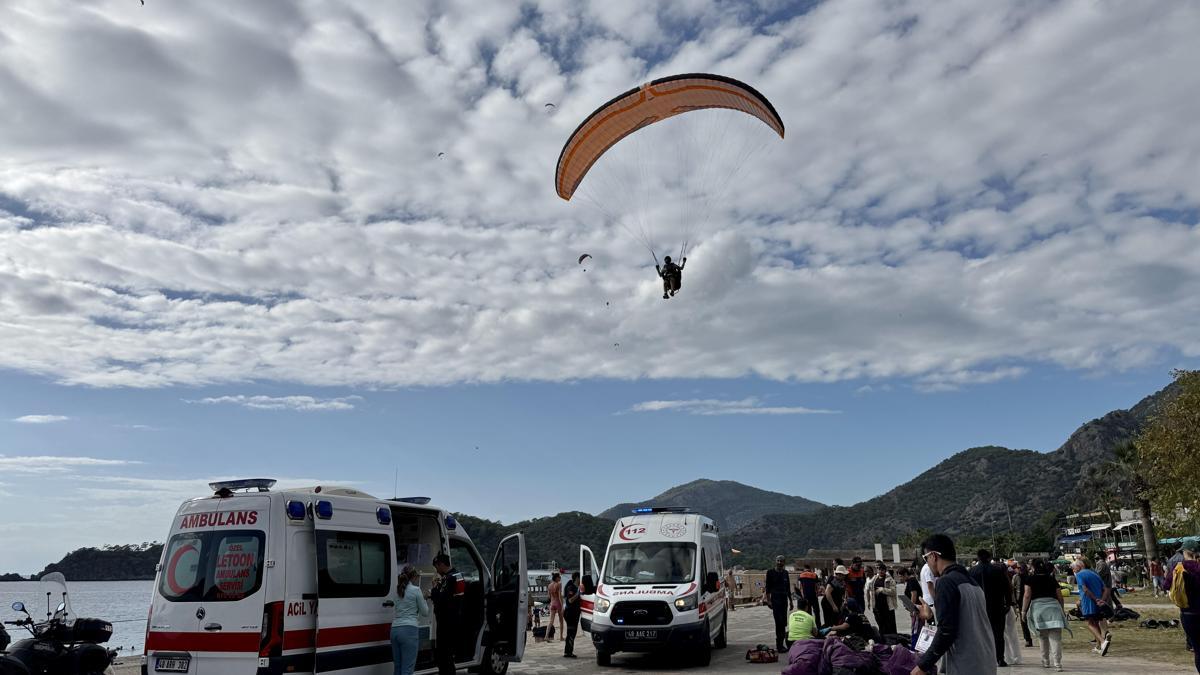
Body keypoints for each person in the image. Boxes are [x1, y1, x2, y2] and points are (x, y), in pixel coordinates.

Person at [913, 534, 996, 675]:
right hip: (985, 659)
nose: (927, 563)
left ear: (933, 556)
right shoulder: (971, 582)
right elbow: (963, 619)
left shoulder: (946, 582)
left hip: (966, 663)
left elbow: (946, 631)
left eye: (926, 559)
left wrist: (923, 665)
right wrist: (931, 615)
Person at [1022, 558, 1070, 672]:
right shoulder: (1051, 578)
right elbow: (1060, 596)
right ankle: (1057, 663)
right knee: (1056, 638)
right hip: (1054, 609)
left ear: (1033, 567)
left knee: (1042, 637)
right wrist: (1061, 609)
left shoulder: (1030, 579)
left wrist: (1023, 611)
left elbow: (1027, 595)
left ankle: (1046, 661)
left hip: (1038, 610)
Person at [968, 549, 1012, 667]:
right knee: (998, 634)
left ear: (978, 558)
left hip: (978, 607)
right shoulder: (998, 570)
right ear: (989, 557)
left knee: (979, 633)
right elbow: (1007, 587)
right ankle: (1000, 658)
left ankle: (982, 657)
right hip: (997, 606)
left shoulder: (972, 571)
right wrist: (1008, 603)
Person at [1163, 538, 1200, 672]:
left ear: (1185, 552)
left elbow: (1166, 585)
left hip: (1188, 614)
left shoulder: (1179, 568)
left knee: (1198, 649)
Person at [391, 564, 430, 675]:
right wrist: (424, 599)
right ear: (413, 577)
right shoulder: (416, 590)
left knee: (398, 667)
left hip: (395, 630)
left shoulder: (397, 590)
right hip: (409, 630)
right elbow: (425, 612)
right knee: (407, 669)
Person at [431, 553, 464, 675]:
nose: (437, 570)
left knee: (444, 655)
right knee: (447, 655)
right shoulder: (458, 575)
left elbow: (441, 599)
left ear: (441, 564)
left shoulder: (449, 578)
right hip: (454, 619)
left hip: (446, 622)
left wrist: (434, 588)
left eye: (436, 567)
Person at [1071, 557, 1112, 657]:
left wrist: (1095, 599)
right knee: (1096, 623)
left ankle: (1103, 642)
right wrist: (1102, 600)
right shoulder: (1095, 574)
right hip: (1099, 603)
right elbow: (1106, 589)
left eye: (1074, 567)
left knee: (1090, 623)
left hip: (1088, 602)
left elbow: (1085, 589)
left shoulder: (1079, 575)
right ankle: (1099, 646)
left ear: (1080, 565)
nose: (1073, 569)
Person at [764, 555, 793, 651]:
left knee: (784, 622)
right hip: (775, 600)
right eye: (778, 561)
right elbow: (767, 587)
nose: (779, 562)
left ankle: (782, 644)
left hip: (784, 600)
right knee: (778, 622)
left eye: (781, 561)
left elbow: (788, 588)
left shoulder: (785, 573)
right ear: (775, 561)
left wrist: (791, 601)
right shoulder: (770, 572)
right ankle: (779, 645)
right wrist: (768, 600)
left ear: (784, 562)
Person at [868, 561, 898, 636]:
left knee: (890, 626)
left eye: (882, 569)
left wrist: (882, 589)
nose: (880, 571)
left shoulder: (889, 579)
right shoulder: (874, 578)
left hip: (887, 607)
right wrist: (869, 602)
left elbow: (893, 592)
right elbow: (869, 589)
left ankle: (891, 639)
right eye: (878, 569)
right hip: (877, 607)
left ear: (885, 570)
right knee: (881, 626)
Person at [899, 566, 923, 649]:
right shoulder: (910, 581)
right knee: (915, 628)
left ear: (905, 574)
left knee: (916, 629)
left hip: (916, 609)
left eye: (901, 576)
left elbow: (914, 595)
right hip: (916, 608)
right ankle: (915, 645)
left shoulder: (911, 581)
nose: (900, 579)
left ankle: (915, 646)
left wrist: (911, 609)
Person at [1012, 562, 1033, 648]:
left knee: (1029, 619)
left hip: (1031, 600)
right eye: (1018, 568)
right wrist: (1014, 601)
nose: (1019, 569)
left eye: (1020, 568)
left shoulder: (1030, 576)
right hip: (1021, 600)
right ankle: (1028, 639)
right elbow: (1013, 588)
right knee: (1023, 620)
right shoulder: (1016, 577)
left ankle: (1034, 638)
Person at [563, 571, 581, 658]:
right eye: (580, 577)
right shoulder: (571, 588)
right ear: (577, 578)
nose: (581, 579)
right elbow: (570, 600)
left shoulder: (577, 587)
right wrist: (578, 594)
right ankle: (568, 652)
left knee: (572, 633)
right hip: (570, 613)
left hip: (574, 614)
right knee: (571, 633)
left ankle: (568, 651)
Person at [825, 565, 849, 629]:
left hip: (837, 602)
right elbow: (827, 592)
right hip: (829, 604)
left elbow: (844, 591)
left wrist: (843, 601)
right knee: (830, 621)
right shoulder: (833, 580)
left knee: (837, 619)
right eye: (843, 575)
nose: (844, 576)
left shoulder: (842, 581)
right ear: (839, 574)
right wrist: (833, 606)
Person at [547, 572, 564, 641]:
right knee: (561, 621)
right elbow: (560, 596)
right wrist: (562, 605)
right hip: (558, 603)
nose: (560, 578)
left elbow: (549, 596)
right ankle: (561, 637)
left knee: (551, 621)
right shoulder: (559, 584)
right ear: (556, 578)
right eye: (559, 577)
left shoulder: (549, 585)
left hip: (552, 603)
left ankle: (546, 636)